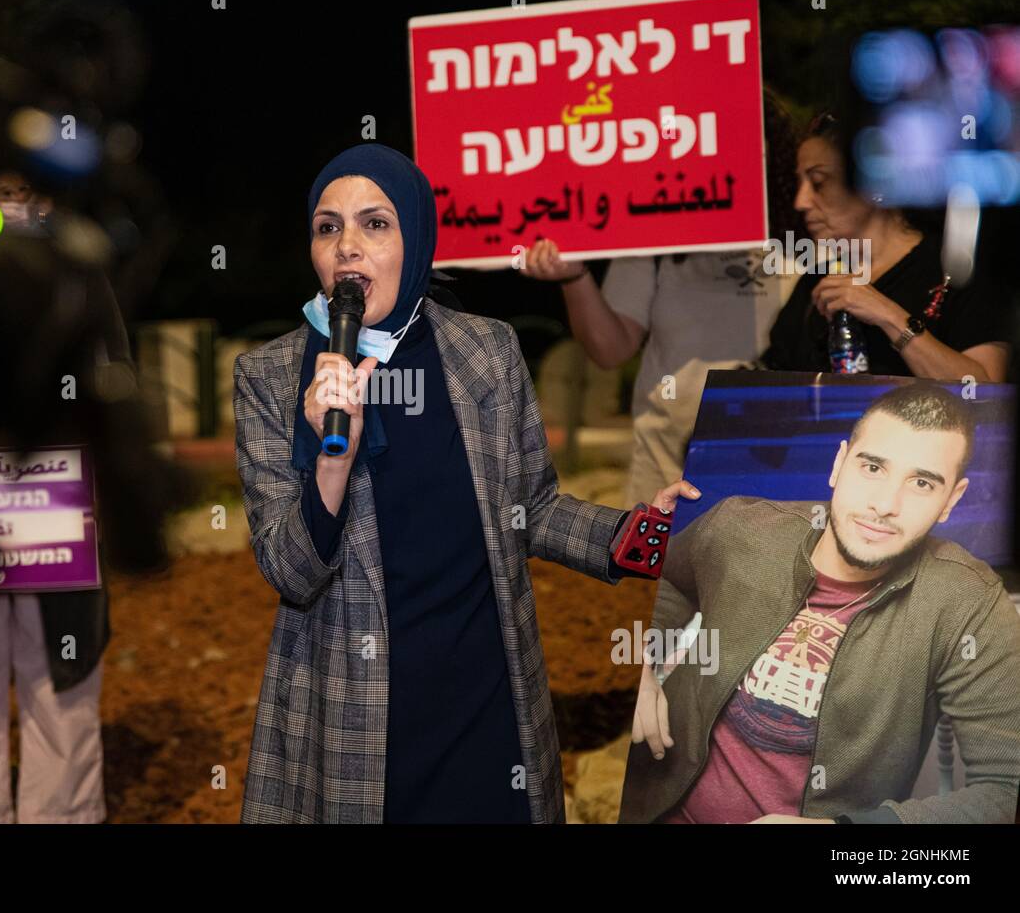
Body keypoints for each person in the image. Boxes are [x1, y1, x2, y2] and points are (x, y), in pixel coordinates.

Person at [233, 142, 697, 823]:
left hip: (486, 700)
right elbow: (292, 574)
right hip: (356, 716)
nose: (347, 247)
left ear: (417, 238)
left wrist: (638, 532)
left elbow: (530, 508)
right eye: (328, 227)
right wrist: (331, 460)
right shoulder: (272, 379)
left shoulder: (485, 351)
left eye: (375, 224)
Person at [620, 383, 1020, 823]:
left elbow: (1006, 788)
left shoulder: (969, 603)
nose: (885, 505)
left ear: (952, 500)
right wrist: (639, 662)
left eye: (922, 482)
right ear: (838, 464)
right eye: (872, 467)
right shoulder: (741, 528)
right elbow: (668, 581)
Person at [0, 173, 125, 823]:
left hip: (57, 527)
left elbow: (113, 391)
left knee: (60, 700)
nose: (13, 207)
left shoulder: (82, 276)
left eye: (28, 194)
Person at [522, 90, 804, 507]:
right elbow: (610, 349)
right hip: (666, 483)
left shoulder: (812, 238)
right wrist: (574, 277)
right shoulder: (654, 237)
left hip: (784, 477)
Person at [761, 112, 1010, 381]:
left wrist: (887, 315)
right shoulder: (813, 282)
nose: (801, 201)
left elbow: (984, 393)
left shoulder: (960, 268)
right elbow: (773, 391)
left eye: (819, 183)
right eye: (800, 184)